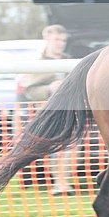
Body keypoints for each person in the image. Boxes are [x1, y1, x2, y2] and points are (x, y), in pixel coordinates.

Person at [21, 24, 78, 195]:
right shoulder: (39, 64)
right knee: (57, 148)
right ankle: (60, 184)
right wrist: (50, 88)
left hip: (72, 112)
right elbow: (30, 91)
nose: (60, 43)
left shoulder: (71, 61)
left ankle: (64, 183)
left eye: (63, 40)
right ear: (46, 39)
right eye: (56, 39)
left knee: (73, 146)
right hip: (49, 114)